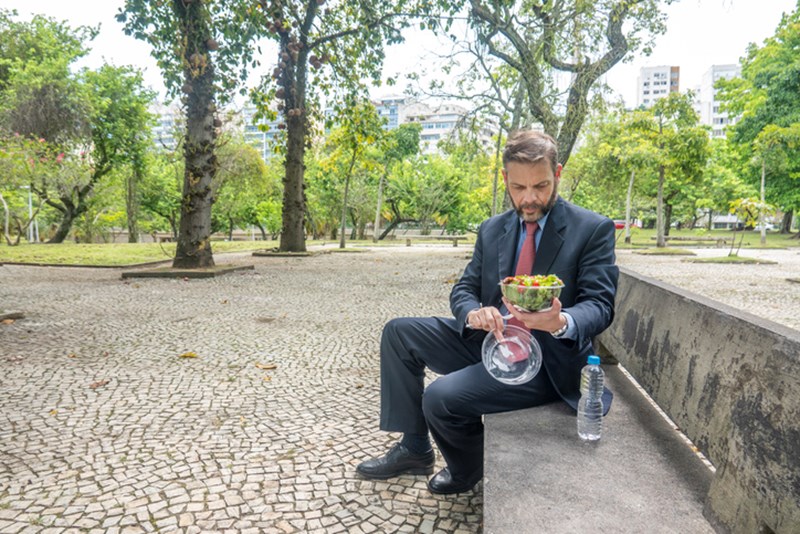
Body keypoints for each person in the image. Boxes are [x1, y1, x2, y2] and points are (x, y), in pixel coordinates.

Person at [356, 130, 619, 494]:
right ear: (505, 179)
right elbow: (464, 288)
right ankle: (415, 447)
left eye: (541, 186)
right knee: (399, 333)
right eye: (518, 188)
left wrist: (560, 322)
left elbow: (601, 305)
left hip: (546, 361)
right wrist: (472, 314)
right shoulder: (493, 229)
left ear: (558, 174)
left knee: (440, 397)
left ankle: (469, 467)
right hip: (492, 339)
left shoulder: (592, 229)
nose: (529, 199)